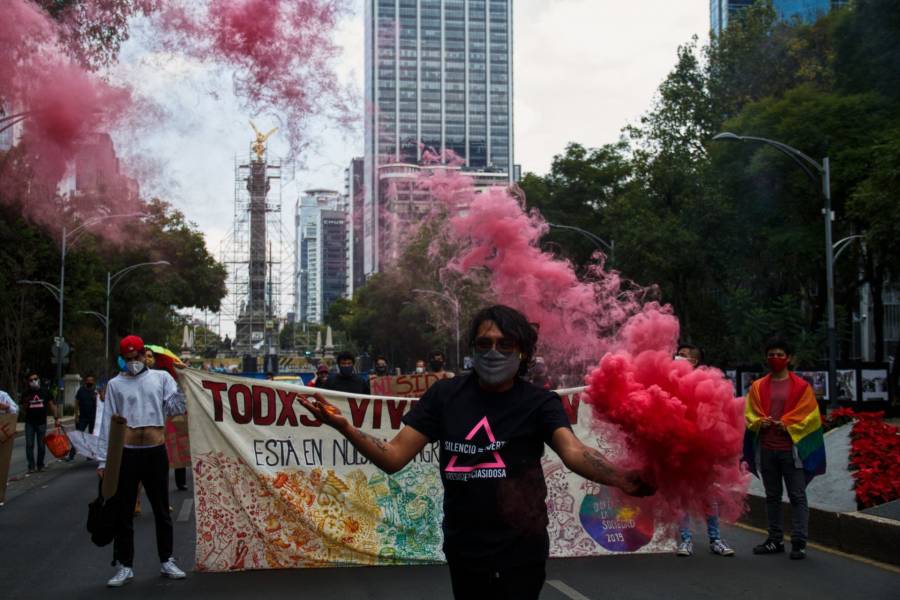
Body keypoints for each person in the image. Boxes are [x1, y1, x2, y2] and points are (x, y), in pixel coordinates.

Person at [299, 305, 654, 600]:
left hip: (522, 547)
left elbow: (574, 452)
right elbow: (393, 457)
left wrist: (620, 477)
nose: (493, 352)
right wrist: (345, 427)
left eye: (505, 343)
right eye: (484, 343)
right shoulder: (444, 396)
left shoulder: (539, 403)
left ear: (523, 352)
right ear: (472, 348)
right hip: (465, 546)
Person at [97, 335, 188, 586]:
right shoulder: (116, 384)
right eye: (128, 359)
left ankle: (167, 560)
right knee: (123, 511)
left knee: (161, 510)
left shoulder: (161, 378)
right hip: (126, 452)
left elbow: (175, 408)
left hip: (155, 451)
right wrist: (103, 462)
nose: (133, 362)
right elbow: (107, 422)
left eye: (136, 357)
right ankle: (125, 566)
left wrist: (183, 383)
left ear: (143, 354)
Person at [744, 337, 826, 561]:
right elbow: (750, 414)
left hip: (793, 451)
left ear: (789, 358)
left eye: (780, 354)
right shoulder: (758, 386)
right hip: (767, 449)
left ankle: (799, 541)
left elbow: (811, 417)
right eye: (771, 354)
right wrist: (761, 421)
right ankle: (775, 539)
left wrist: (788, 424)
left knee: (797, 495)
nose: (775, 358)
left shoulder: (802, 387)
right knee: (772, 496)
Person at [672, 344, 734, 558]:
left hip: (702, 448)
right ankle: (685, 540)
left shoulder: (708, 381)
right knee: (682, 497)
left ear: (695, 361)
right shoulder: (670, 380)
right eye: (678, 354)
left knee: (708, 496)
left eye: (684, 356)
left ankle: (716, 539)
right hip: (679, 447)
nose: (679, 358)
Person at [21, 371, 59, 473]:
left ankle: (40, 465)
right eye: (31, 380)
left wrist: (56, 418)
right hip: (29, 423)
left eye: (35, 379)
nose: (34, 381)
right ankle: (31, 466)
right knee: (29, 445)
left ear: (39, 379)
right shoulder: (26, 393)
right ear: (28, 382)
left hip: (41, 423)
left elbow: (52, 406)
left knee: (41, 445)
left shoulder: (45, 392)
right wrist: (26, 402)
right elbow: (23, 409)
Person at [69, 374, 100, 460]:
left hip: (93, 418)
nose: (89, 382)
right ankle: (71, 454)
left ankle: (89, 455)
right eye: (88, 380)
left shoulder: (96, 391)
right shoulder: (81, 390)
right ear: (85, 381)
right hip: (82, 417)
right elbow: (76, 403)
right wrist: (76, 416)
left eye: (91, 380)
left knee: (91, 437)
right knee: (77, 436)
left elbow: (100, 404)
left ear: (93, 382)